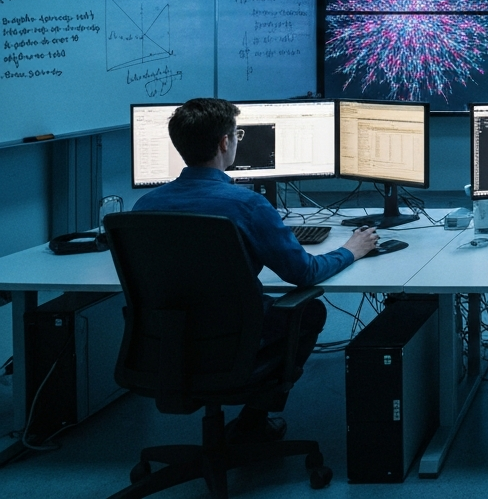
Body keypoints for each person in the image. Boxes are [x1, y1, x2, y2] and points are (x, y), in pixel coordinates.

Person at [132, 98, 379, 443]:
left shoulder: (145, 206)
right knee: (309, 311)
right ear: (224, 143)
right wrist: (349, 251)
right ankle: (255, 417)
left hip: (166, 343)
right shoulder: (247, 205)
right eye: (236, 135)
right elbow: (303, 273)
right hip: (235, 340)